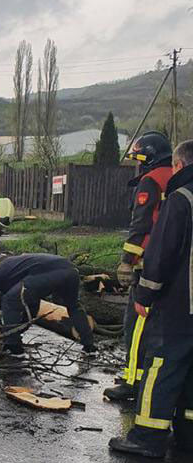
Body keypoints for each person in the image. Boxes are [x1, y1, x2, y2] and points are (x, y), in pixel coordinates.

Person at [109, 139, 193, 458]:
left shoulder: (178, 196)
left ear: (180, 165)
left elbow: (159, 247)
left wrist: (143, 289)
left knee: (162, 363)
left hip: (178, 301)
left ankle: (148, 436)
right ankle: (188, 436)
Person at [104, 131, 173, 402]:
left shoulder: (150, 181)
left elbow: (142, 224)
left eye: (140, 157)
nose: (138, 163)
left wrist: (127, 260)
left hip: (147, 265)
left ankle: (133, 381)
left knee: (136, 323)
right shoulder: (177, 178)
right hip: (172, 265)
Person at [0, 254, 96, 356]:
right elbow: (31, 304)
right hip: (71, 271)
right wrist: (18, 328)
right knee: (73, 307)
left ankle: (13, 347)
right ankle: (89, 345)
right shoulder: (15, 266)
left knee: (10, 301)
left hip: (52, 273)